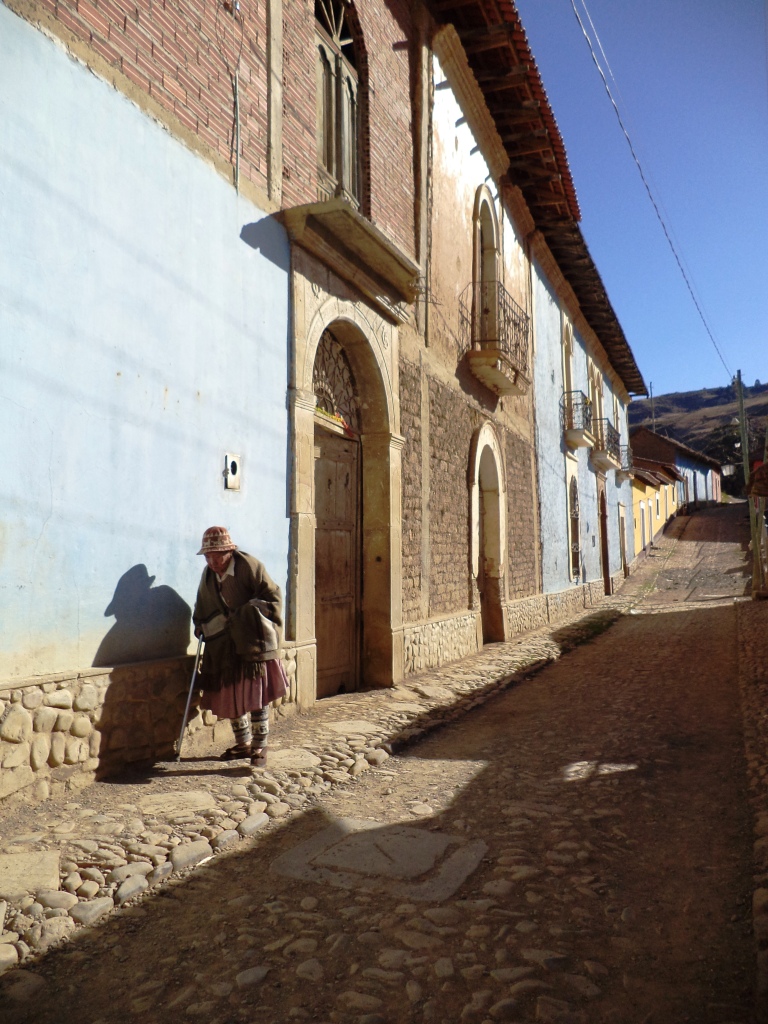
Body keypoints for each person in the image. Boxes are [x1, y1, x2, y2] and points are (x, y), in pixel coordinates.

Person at [192, 526, 287, 766]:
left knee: (256, 694)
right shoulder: (209, 575)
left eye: (217, 556)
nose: (212, 562)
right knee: (231, 693)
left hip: (252, 641)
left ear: (229, 552)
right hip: (225, 645)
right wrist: (200, 624)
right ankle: (243, 743)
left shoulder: (249, 567)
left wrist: (244, 614)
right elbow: (202, 604)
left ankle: (259, 746)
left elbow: (272, 598)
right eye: (207, 557)